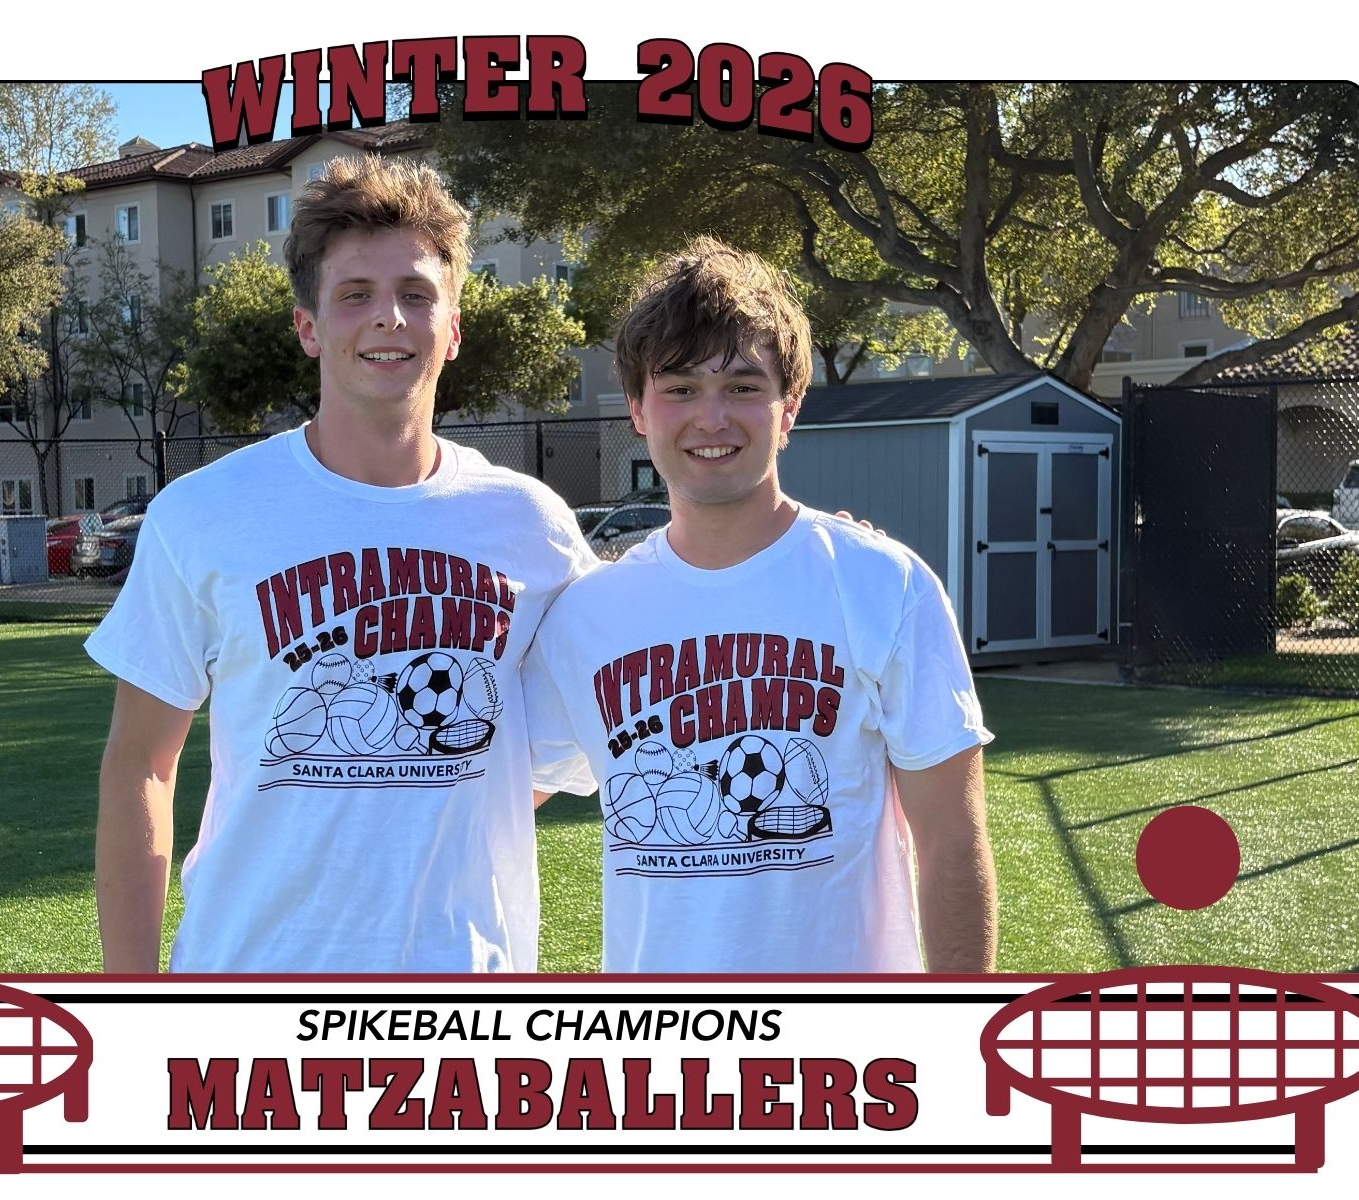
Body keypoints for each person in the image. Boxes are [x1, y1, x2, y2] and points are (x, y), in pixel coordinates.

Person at [87, 156, 595, 973]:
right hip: (247, 983)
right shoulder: (203, 514)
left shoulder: (533, 527)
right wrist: (130, 999)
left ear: (453, 328)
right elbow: (140, 764)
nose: (388, 317)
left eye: (416, 294)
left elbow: (561, 744)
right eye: (355, 294)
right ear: (309, 328)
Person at [524, 238, 997, 973]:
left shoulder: (882, 584)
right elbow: (482, 797)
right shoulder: (586, 617)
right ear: (638, 411)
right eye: (680, 388)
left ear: (789, 409)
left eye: (743, 386)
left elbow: (952, 842)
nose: (711, 418)